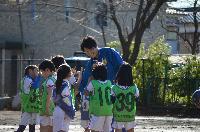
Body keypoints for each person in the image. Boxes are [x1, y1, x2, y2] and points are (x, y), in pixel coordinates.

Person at [79, 36, 123, 131]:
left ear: (94, 46)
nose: (89, 53)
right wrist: (80, 89)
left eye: (89, 50)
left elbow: (121, 65)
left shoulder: (108, 52)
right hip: (102, 100)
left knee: (118, 121)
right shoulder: (91, 63)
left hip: (116, 92)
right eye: (86, 52)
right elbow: (86, 81)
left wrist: (120, 82)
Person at [53, 64, 82, 132]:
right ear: (69, 74)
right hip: (65, 110)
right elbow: (66, 99)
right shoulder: (65, 85)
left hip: (58, 109)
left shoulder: (57, 83)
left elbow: (54, 98)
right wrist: (70, 109)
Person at [111, 63, 139, 132]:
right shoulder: (134, 87)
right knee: (131, 129)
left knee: (118, 129)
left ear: (119, 73)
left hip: (118, 115)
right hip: (130, 114)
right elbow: (137, 98)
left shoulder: (114, 88)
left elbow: (111, 100)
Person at [85, 63, 113, 132]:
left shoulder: (93, 83)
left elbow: (86, 93)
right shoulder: (109, 83)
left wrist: (89, 81)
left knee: (95, 130)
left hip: (97, 111)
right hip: (109, 111)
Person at [15, 65, 40, 132]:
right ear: (30, 71)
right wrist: (39, 77)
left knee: (32, 125)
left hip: (31, 107)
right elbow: (35, 86)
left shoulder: (30, 79)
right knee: (23, 125)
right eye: (36, 70)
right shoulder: (27, 79)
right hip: (28, 106)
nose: (38, 72)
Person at [39, 60, 56, 132]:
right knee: (50, 129)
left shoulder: (49, 81)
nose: (41, 74)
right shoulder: (53, 79)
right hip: (51, 109)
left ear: (47, 70)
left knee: (43, 128)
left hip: (47, 110)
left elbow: (50, 94)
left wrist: (46, 108)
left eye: (42, 72)